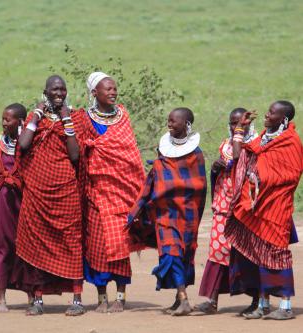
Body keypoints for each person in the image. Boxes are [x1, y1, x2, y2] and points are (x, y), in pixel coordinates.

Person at [12, 75, 85, 316]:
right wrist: (35, 116)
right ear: (45, 92)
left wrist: (65, 119)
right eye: (54, 89)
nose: (59, 93)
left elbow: (75, 155)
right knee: (37, 244)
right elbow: (22, 145)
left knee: (71, 242)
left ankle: (77, 299)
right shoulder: (36, 118)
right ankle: (38, 300)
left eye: (62, 89)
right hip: (37, 191)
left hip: (65, 190)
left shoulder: (75, 117)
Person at [225, 101, 302, 320]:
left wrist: (260, 177)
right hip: (258, 206)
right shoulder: (264, 139)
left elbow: (291, 175)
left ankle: (285, 306)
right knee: (260, 255)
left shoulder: (290, 142)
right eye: (267, 111)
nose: (266, 116)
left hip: (277, 207)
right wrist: (241, 128)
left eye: (271, 114)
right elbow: (240, 156)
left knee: (278, 255)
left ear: (284, 120)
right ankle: (264, 303)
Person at [127, 107, 207, 316]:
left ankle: (179, 298)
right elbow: (156, 180)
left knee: (185, 253)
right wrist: (138, 208)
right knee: (171, 253)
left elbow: (199, 186)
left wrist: (190, 206)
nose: (169, 124)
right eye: (168, 121)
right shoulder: (164, 150)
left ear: (186, 125)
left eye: (174, 121)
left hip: (187, 213)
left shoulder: (196, 155)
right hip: (165, 214)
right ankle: (183, 299)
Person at [80, 72, 145, 312]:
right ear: (94, 93)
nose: (113, 92)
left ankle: (120, 297)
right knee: (97, 245)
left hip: (121, 191)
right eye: (107, 89)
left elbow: (129, 152)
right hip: (96, 191)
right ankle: (101, 298)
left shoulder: (123, 115)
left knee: (119, 243)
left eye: (114, 88)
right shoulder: (84, 118)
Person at [195, 108, 259, 315]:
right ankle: (212, 300)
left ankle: (257, 301)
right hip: (223, 205)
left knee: (247, 254)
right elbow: (223, 168)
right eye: (233, 123)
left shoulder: (256, 145)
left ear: (249, 124)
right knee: (218, 252)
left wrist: (240, 132)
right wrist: (215, 167)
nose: (235, 127)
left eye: (240, 124)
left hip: (244, 209)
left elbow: (241, 159)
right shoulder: (225, 143)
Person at [0, 103, 30, 312]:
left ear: (20, 122)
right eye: (2, 118)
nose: (3, 123)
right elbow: (0, 170)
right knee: (2, 246)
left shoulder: (29, 142)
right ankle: (1, 297)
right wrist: (10, 179)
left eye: (7, 119)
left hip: (26, 199)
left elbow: (31, 170)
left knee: (27, 246)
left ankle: (32, 294)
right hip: (3, 198)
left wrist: (17, 181)